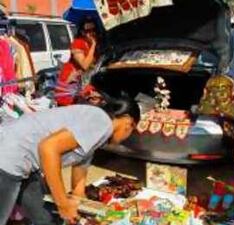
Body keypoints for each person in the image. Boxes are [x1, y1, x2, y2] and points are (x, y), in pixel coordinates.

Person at [0, 100, 140, 225]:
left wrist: (88, 211)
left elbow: (78, 186)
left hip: (24, 163)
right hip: (9, 156)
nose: (126, 137)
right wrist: (62, 204)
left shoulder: (95, 135)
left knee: (47, 218)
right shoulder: (102, 122)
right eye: (132, 130)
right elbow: (48, 147)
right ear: (128, 121)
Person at [55, 17, 99, 106]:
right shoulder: (77, 43)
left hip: (82, 81)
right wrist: (94, 45)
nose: (91, 33)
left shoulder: (91, 44)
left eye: (93, 30)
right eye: (88, 30)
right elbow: (84, 65)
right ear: (82, 32)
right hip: (70, 81)